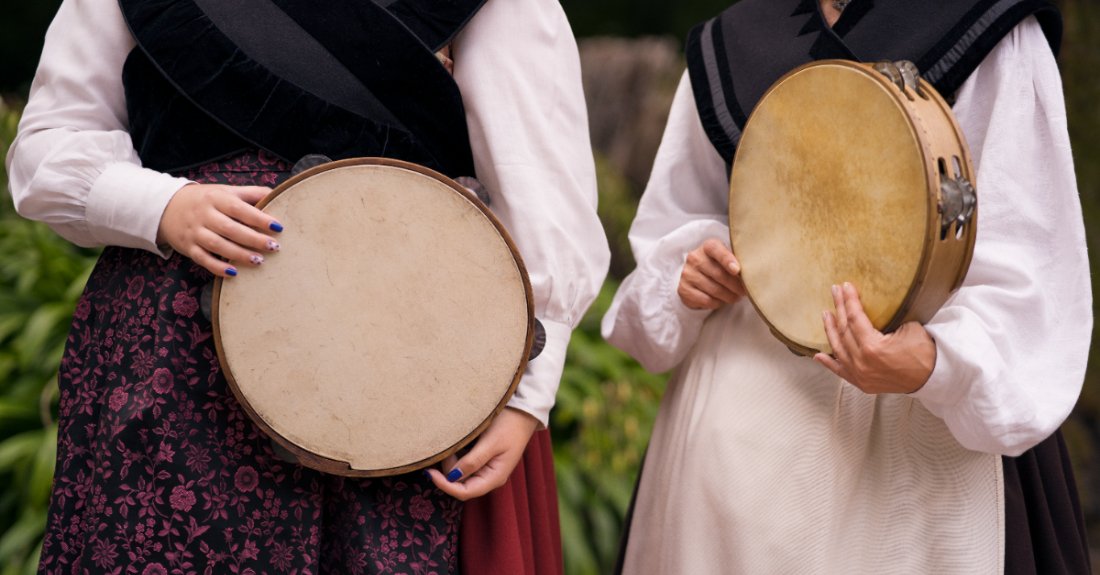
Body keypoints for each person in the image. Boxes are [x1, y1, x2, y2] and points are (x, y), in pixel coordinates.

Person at [6, 0, 609, 572]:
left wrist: (525, 393)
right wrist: (163, 205)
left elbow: (539, 194)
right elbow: (47, 148)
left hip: (387, 372)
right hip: (168, 365)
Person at [602, 0, 1091, 572]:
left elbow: (1027, 259)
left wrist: (937, 362)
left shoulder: (986, 21)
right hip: (735, 452)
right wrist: (690, 271)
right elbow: (678, 220)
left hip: (924, 446)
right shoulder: (732, 41)